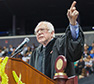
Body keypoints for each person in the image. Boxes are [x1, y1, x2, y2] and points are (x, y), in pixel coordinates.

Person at [29, 1, 84, 79]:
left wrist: (73, 23)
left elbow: (74, 46)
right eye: (37, 31)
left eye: (42, 30)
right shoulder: (35, 53)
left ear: (52, 33)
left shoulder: (60, 44)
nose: (39, 33)